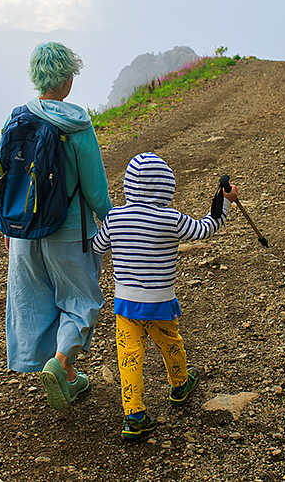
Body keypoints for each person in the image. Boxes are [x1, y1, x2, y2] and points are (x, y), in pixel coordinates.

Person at [91, 152, 239, 440]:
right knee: (171, 344)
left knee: (129, 358)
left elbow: (97, 247)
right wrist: (224, 204)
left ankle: (134, 416)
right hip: (158, 304)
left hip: (125, 306)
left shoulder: (115, 217)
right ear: (165, 187)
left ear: (128, 185)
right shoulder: (170, 219)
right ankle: (180, 385)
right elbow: (204, 229)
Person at [0, 42, 112, 413]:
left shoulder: (17, 118)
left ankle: (66, 376)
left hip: (23, 229)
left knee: (34, 299)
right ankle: (61, 363)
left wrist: (8, 227)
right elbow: (95, 188)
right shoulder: (77, 124)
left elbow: (9, 179)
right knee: (81, 299)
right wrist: (111, 221)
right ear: (67, 78)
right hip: (67, 230)